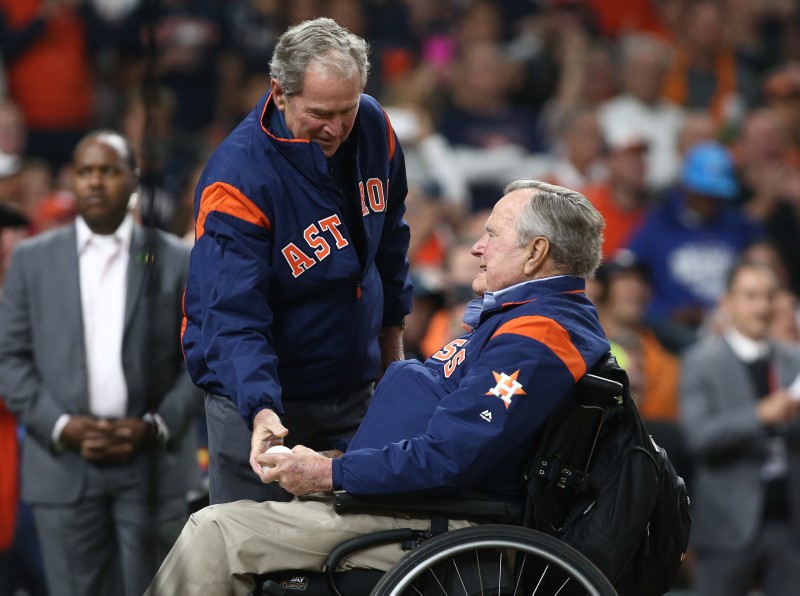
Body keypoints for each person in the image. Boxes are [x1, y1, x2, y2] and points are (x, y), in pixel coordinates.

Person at [146, 179, 611, 596]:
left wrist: (330, 476)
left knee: (216, 531)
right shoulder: (525, 320)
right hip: (403, 499)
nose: (477, 248)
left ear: (535, 253)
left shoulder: (538, 336)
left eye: (492, 234)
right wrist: (337, 460)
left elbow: (452, 455)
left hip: (432, 518)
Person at [181, 17, 413, 506]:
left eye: (346, 109)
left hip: (353, 390)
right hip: (261, 401)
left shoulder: (373, 126)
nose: (336, 127)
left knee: (355, 552)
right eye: (320, 113)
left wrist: (392, 345)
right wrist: (262, 408)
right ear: (280, 93)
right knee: (254, 557)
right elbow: (232, 316)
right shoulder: (238, 179)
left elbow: (390, 241)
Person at [0, 130, 204, 596]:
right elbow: (9, 360)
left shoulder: (176, 259)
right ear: (72, 179)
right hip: (63, 464)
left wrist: (155, 425)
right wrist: (60, 424)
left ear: (132, 180)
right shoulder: (32, 260)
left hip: (153, 462)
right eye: (86, 171)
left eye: (108, 171)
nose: (95, 182)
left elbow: (198, 359)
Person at [680, 260, 800, 596]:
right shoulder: (701, 361)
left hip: (789, 523)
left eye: (768, 296)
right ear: (727, 302)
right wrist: (761, 415)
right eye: (750, 296)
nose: (762, 307)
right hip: (727, 524)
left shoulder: (794, 359)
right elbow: (699, 436)